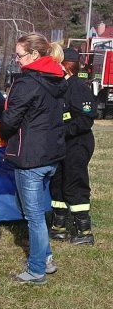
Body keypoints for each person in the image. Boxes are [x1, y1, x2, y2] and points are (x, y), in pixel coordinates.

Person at [0, 33, 67, 285]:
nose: (16, 60)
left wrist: (2, 134)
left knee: (33, 215)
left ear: (35, 55)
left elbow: (10, 119)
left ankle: (37, 268)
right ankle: (46, 257)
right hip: (51, 154)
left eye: (19, 55)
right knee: (35, 211)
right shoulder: (57, 78)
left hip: (31, 157)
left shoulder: (27, 83)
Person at [49, 48, 97, 245]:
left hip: (77, 143)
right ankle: (58, 226)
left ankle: (84, 232)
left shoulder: (77, 86)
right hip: (62, 144)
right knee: (58, 182)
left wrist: (63, 131)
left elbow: (86, 118)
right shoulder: (61, 86)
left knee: (74, 183)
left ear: (66, 65)